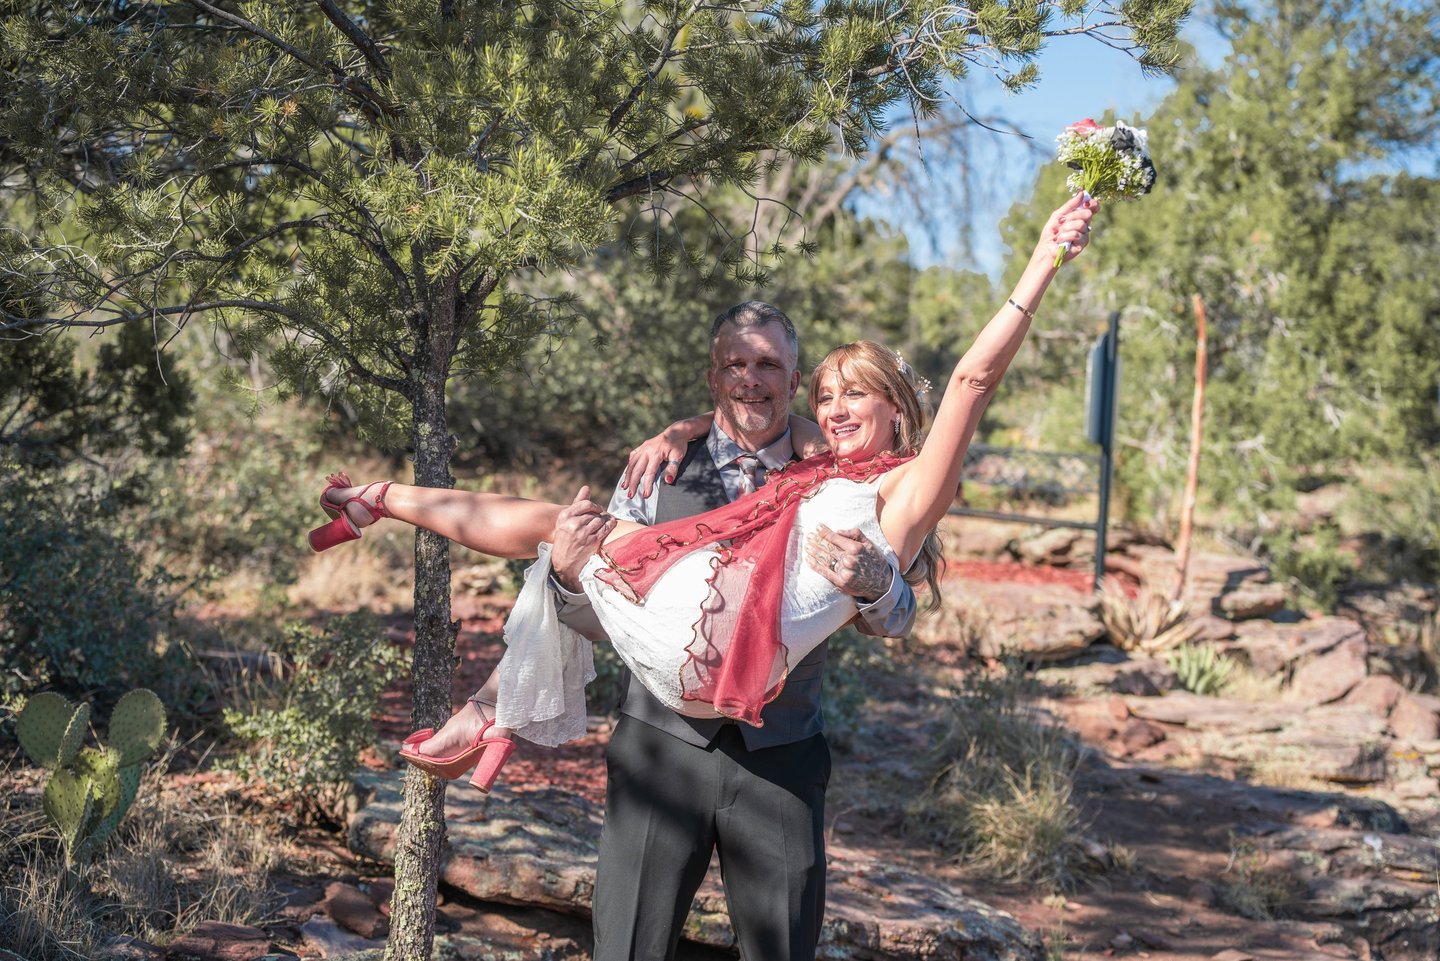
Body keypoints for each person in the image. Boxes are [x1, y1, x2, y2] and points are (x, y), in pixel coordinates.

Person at [309, 191, 1095, 959]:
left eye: (842, 390)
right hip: (666, 734)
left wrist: (1042, 259)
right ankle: (383, 506)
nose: (832, 404)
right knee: (562, 535)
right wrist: (605, 537)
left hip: (777, 751)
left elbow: (968, 387)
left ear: (879, 404)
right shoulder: (688, 464)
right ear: (715, 376)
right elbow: (586, 600)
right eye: (828, 393)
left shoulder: (893, 487)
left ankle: (484, 706)